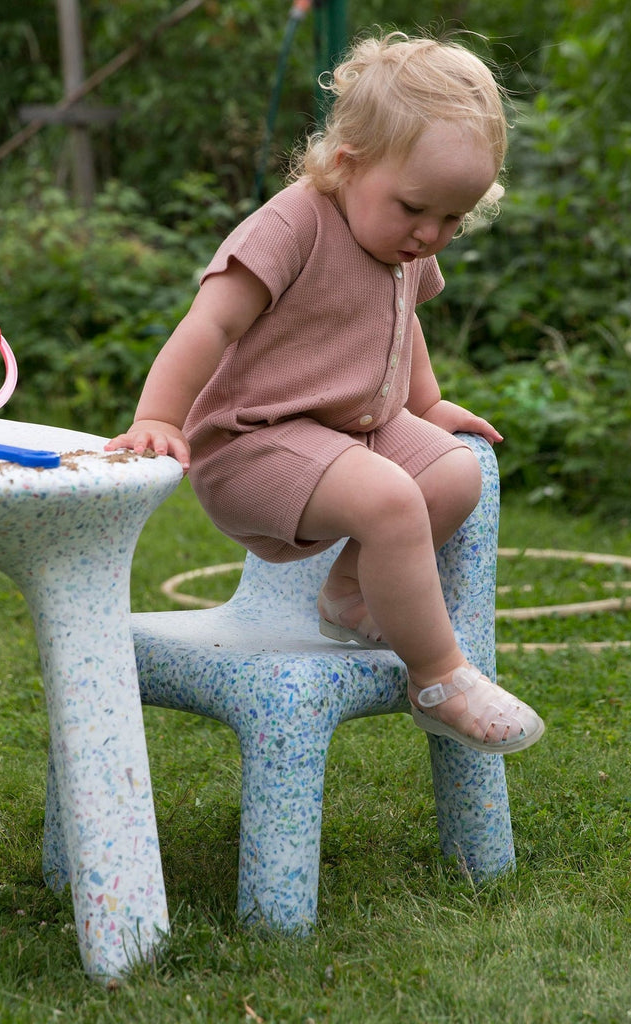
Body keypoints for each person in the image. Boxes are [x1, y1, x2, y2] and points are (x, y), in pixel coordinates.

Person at [106, 32, 544, 754]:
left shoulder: (402, 243)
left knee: (454, 473)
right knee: (391, 499)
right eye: (415, 209)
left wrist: (426, 406)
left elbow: (407, 321)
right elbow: (209, 322)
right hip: (253, 445)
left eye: (453, 219)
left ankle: (349, 593)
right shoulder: (294, 223)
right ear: (347, 163)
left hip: (348, 434)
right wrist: (158, 416)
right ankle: (439, 682)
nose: (431, 234)